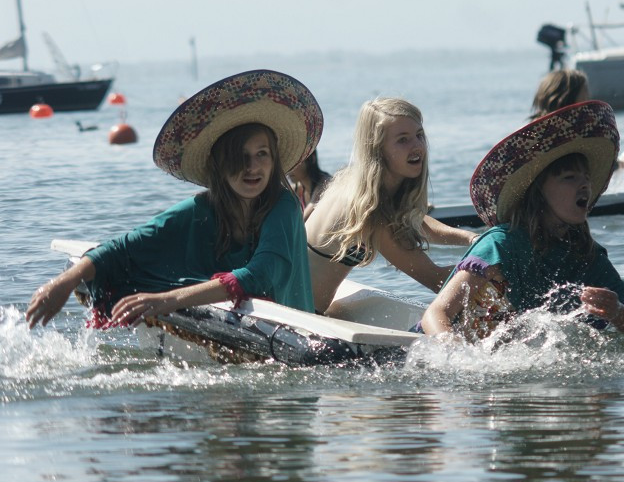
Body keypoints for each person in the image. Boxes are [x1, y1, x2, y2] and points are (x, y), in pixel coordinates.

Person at [26, 69, 323, 329]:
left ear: (273, 162)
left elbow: (259, 276)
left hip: (295, 334)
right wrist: (63, 284)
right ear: (219, 164)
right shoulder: (202, 210)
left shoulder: (283, 206)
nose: (252, 168)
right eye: (239, 157)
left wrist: (165, 300)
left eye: (262, 155)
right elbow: (124, 248)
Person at [420, 101, 624, 340]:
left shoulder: (588, 256)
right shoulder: (501, 245)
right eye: (569, 177)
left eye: (586, 177)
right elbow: (436, 314)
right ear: (538, 191)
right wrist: (455, 352)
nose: (584, 184)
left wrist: (617, 312)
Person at [304, 97, 477, 314]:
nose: (417, 146)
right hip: (295, 315)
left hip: (296, 305)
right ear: (377, 149)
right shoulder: (367, 212)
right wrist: (489, 265)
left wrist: (472, 239)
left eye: (419, 135)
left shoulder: (354, 182)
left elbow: (413, 220)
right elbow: (436, 280)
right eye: (403, 140)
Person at [288, 148, 332, 215]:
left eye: (294, 163)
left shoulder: (325, 184)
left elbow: (302, 222)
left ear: (311, 159)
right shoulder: (298, 189)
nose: (289, 169)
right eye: (289, 164)